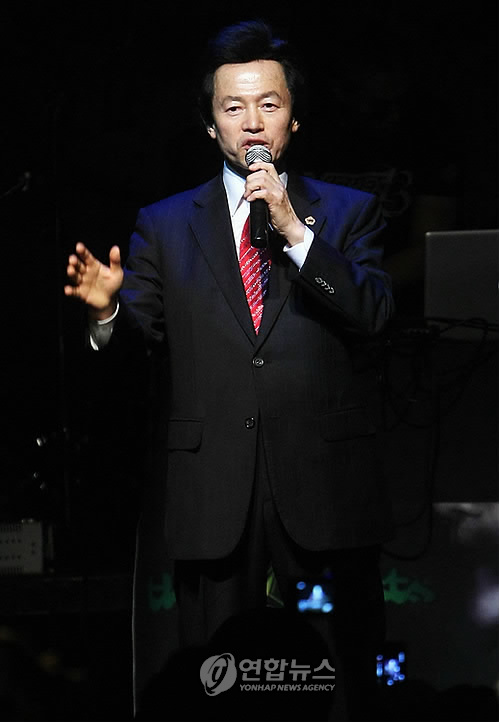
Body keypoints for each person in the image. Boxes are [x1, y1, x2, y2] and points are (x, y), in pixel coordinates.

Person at [65, 20, 394, 720]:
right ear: (211, 124)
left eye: (268, 105)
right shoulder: (164, 224)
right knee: (214, 678)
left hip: (323, 480)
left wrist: (295, 231)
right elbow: (136, 348)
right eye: (233, 107)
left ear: (293, 118)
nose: (251, 122)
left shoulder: (348, 213)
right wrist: (106, 312)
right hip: (214, 485)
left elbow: (374, 315)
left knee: (338, 675)